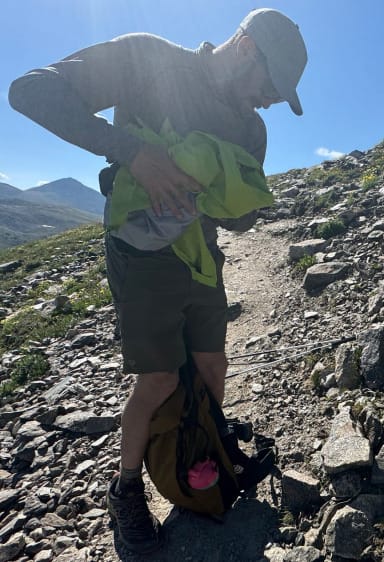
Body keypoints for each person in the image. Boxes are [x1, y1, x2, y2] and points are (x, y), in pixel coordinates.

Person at [8, 8, 307, 554]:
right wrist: (134, 153)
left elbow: (239, 221)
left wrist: (232, 199)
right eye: (271, 85)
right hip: (140, 254)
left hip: (200, 255)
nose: (269, 100)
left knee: (213, 365)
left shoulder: (251, 128)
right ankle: (124, 490)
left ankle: (201, 451)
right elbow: (30, 91)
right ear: (245, 47)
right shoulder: (149, 59)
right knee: (160, 379)